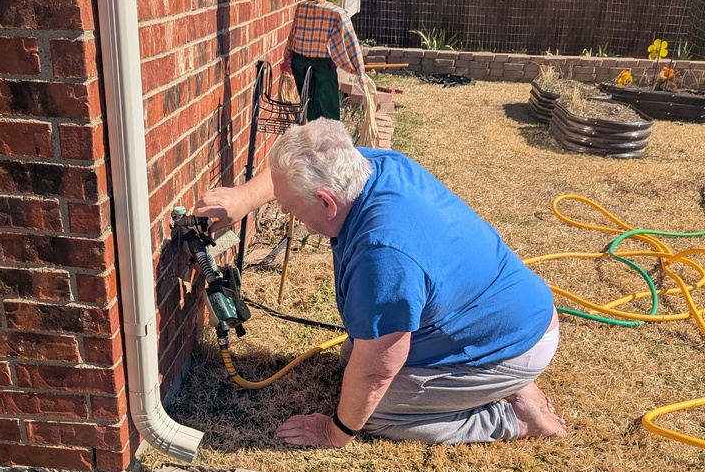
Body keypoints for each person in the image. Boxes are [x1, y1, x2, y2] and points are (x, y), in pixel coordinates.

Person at [193, 118, 567, 449]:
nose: (286, 213)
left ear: (326, 202)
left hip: (514, 341)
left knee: (372, 409)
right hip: (513, 311)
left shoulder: (382, 254)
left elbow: (379, 368)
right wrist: (244, 197)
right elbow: (296, 164)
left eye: (290, 208)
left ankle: (513, 418)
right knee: (352, 359)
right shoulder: (370, 167)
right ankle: (508, 381)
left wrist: (336, 431)